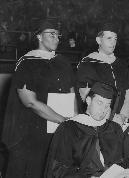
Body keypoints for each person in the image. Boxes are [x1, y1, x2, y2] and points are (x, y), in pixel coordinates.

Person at [1, 19, 77, 178]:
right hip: (32, 130)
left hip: (59, 130)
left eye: (58, 35)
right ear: (39, 37)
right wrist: (63, 120)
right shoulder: (27, 62)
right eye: (51, 34)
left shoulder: (63, 62)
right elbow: (29, 101)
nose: (56, 38)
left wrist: (74, 121)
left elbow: (71, 93)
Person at [45, 82, 129, 178]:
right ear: (88, 100)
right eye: (99, 103)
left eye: (107, 105)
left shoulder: (114, 129)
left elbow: (124, 161)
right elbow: (57, 169)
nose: (103, 110)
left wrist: (128, 173)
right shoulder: (69, 128)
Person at [76, 22, 129, 125]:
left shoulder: (121, 64)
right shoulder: (88, 63)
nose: (113, 42)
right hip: (97, 119)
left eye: (115, 39)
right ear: (99, 40)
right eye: (109, 38)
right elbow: (86, 95)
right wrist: (112, 117)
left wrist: (123, 116)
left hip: (122, 118)